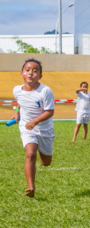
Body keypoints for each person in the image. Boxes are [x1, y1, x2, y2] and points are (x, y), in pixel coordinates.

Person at [11, 59, 55, 198]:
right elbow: (19, 101)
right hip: (26, 127)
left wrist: (35, 121)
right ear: (22, 73)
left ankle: (44, 154)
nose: (31, 73)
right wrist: (17, 110)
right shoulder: (17, 89)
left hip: (44, 128)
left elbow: (50, 112)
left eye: (35, 71)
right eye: (27, 70)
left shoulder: (45, 91)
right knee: (30, 153)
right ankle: (31, 187)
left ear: (40, 76)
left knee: (45, 162)